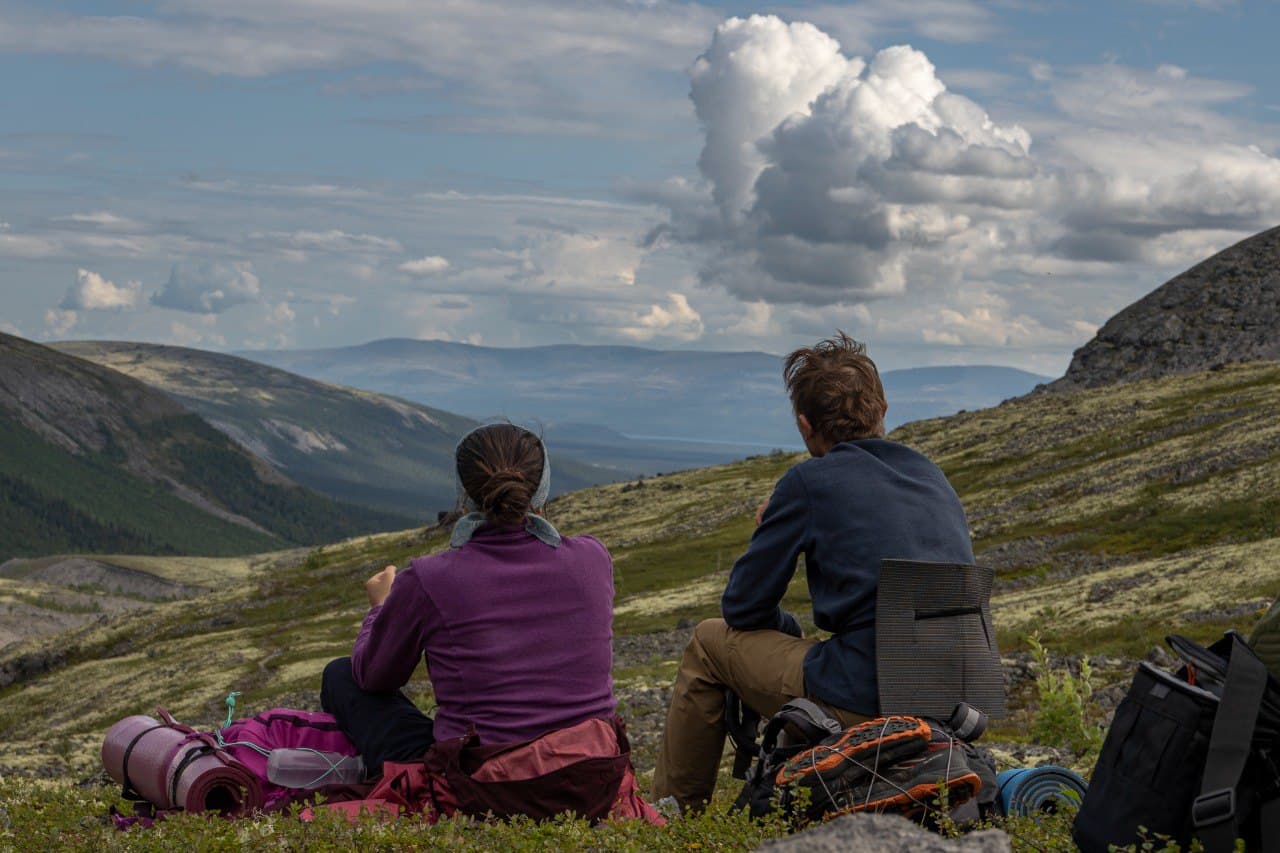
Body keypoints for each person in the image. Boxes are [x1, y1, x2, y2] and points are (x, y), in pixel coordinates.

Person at [650, 333, 975, 811]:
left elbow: (742, 606)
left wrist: (786, 622)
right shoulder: (932, 475)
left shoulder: (809, 480)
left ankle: (672, 815)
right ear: (883, 406)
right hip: (954, 696)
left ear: (805, 427)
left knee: (707, 643)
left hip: (867, 695)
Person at [321, 423, 617, 777]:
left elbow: (374, 677)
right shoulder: (594, 557)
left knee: (341, 675)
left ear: (465, 494)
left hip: (487, 780)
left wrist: (379, 609)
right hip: (593, 773)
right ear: (541, 489)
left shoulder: (430, 578)